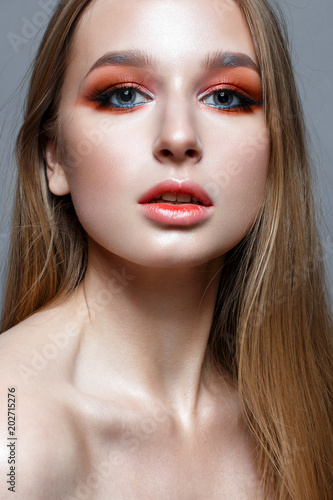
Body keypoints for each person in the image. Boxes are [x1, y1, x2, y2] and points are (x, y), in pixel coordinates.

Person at [0, 0, 332, 498]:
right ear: (55, 158)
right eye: (124, 94)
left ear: (274, 149)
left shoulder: (307, 414)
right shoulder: (15, 432)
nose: (178, 138)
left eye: (225, 97)